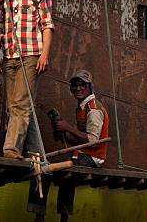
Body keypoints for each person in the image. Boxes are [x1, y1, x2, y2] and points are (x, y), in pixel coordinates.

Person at [0, 0, 54, 159]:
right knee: (15, 105)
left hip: (31, 54)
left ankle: (11, 149)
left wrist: (44, 54)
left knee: (20, 103)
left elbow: (47, 25)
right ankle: (36, 151)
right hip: (9, 56)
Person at [28, 69, 109, 222]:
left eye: (82, 85)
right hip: (82, 154)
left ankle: (39, 216)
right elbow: (78, 140)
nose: (78, 89)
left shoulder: (93, 108)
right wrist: (62, 132)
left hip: (93, 158)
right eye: (74, 86)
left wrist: (67, 127)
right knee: (65, 174)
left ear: (90, 87)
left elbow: (92, 140)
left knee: (44, 169)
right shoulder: (82, 106)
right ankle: (63, 216)